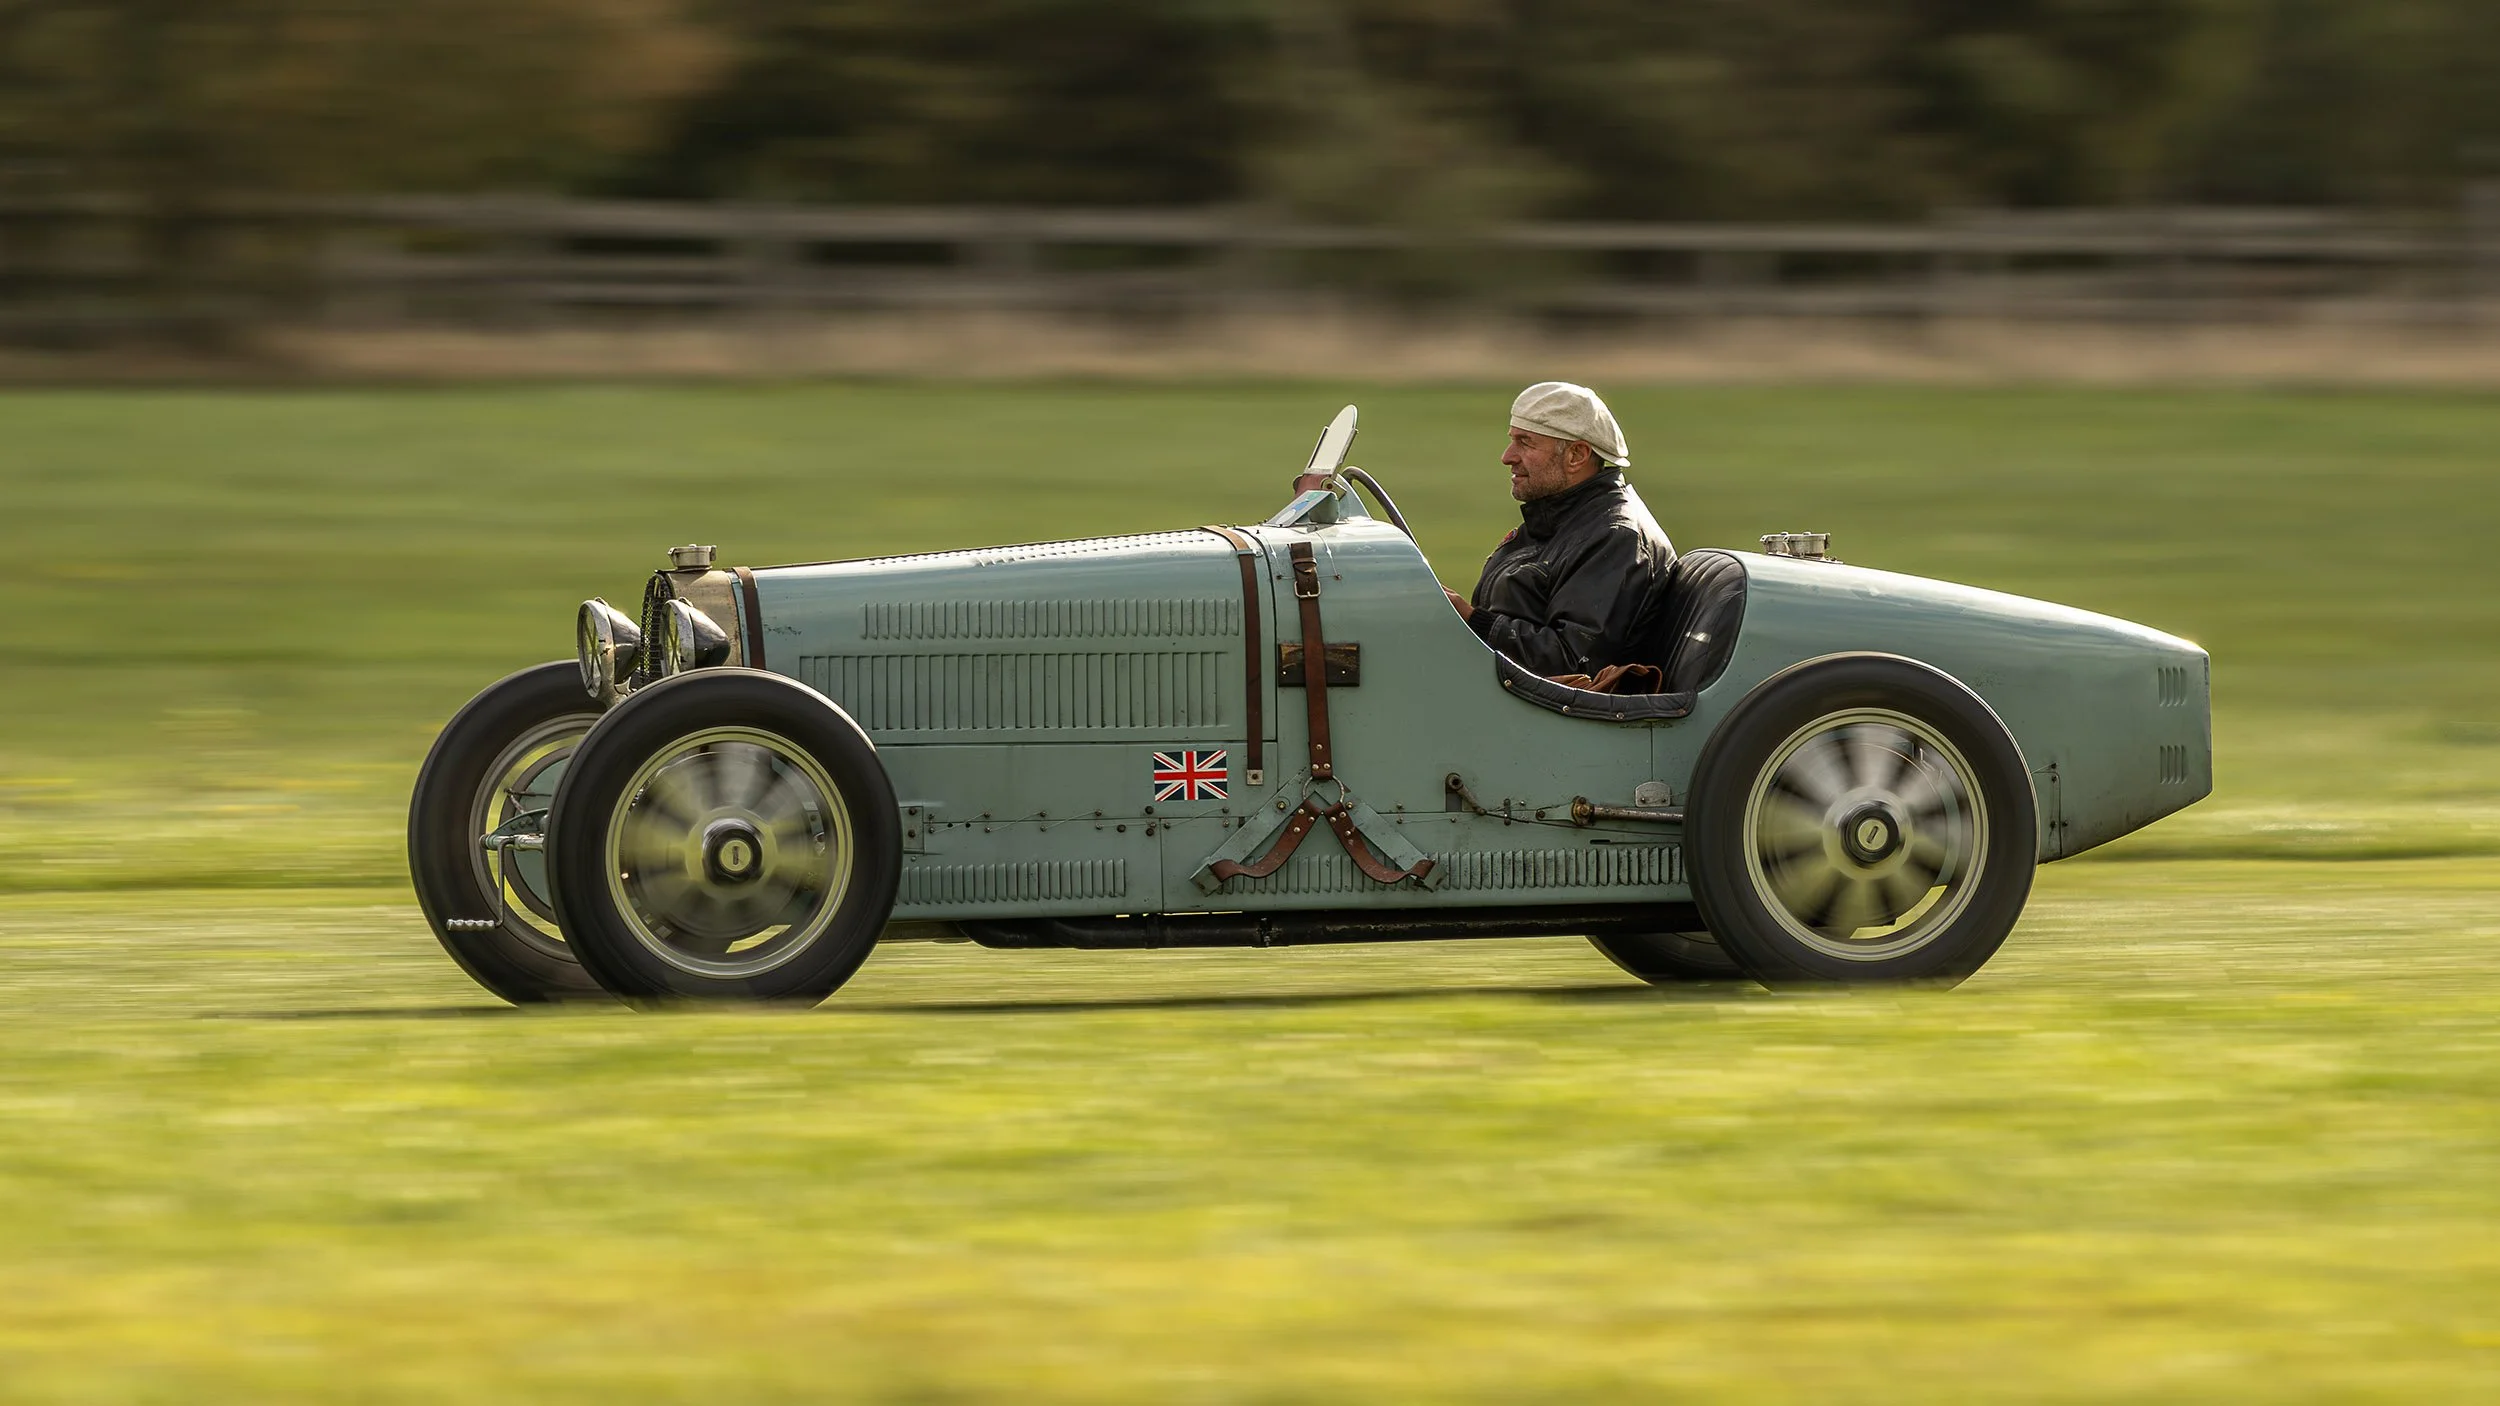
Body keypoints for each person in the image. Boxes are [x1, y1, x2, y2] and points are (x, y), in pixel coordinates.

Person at [1441, 382, 1677, 682]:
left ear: (1576, 455)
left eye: (1525, 442)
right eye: (1512, 440)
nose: (1508, 456)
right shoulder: (1561, 519)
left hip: (1546, 717)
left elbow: (1576, 663)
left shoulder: (1615, 537)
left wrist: (1474, 621)